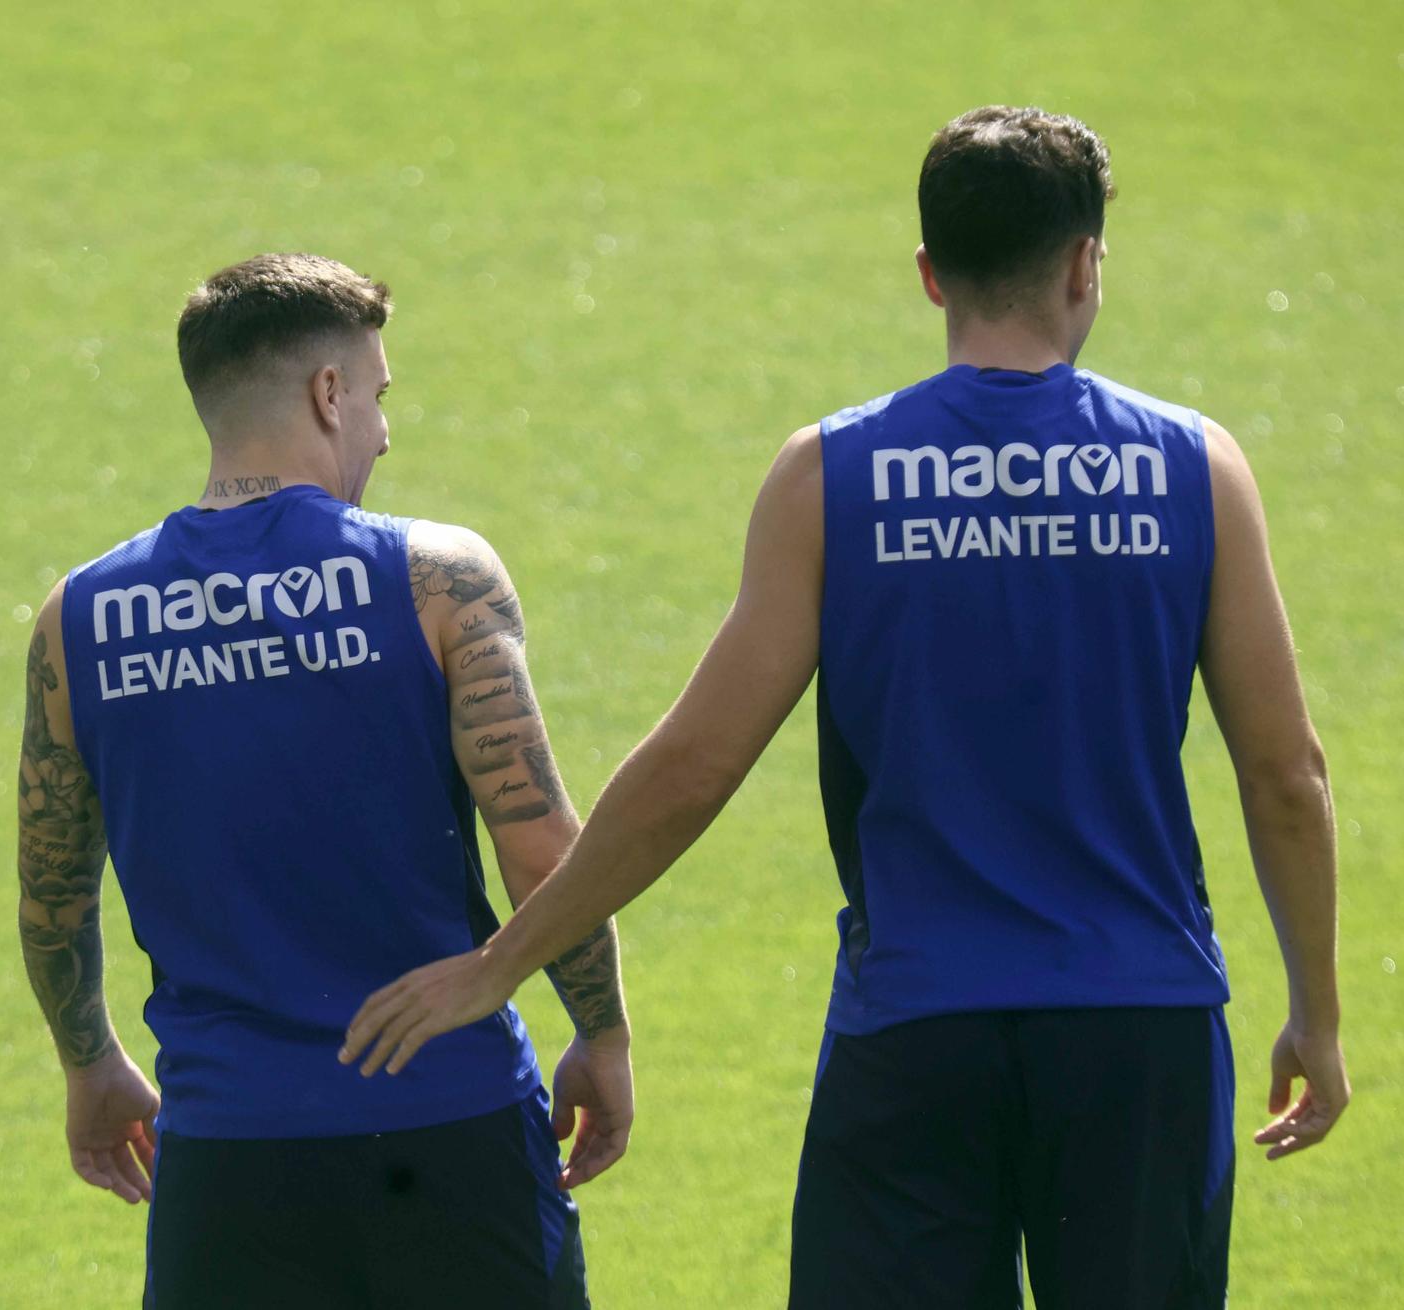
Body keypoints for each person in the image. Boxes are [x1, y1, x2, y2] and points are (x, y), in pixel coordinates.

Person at [341, 107, 1349, 1308]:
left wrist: (506, 960)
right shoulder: (1196, 467)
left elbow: (697, 761)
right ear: (1084, 262)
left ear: (928, 274)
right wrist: (1315, 1012)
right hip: (1138, 1030)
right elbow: (1284, 772)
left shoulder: (833, 474)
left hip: (914, 1029)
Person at [14, 252, 630, 1309]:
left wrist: (90, 1060)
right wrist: (602, 1033)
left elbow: (52, 891)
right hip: (453, 1118)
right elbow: (539, 850)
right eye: (379, 394)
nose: (385, 430)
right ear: (327, 392)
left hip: (228, 1147)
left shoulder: (80, 619)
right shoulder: (436, 578)